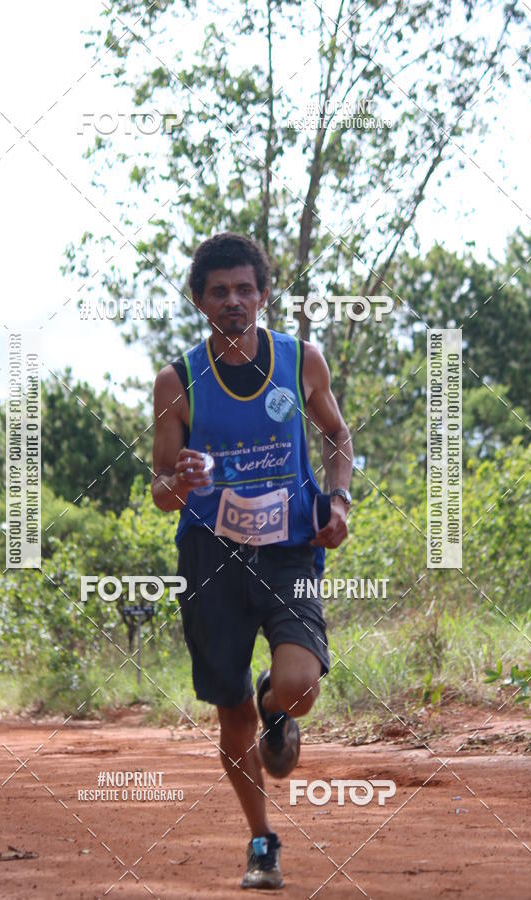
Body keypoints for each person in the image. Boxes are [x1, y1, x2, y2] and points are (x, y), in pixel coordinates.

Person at [151, 232, 352, 889]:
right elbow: (160, 488)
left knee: (298, 686)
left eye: (244, 288)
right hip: (210, 555)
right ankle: (262, 841)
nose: (233, 301)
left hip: (291, 548)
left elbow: (337, 435)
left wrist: (339, 500)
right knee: (230, 707)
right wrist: (179, 482)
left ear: (264, 295)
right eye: (219, 292)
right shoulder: (178, 381)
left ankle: (277, 706)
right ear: (199, 301)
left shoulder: (301, 360)